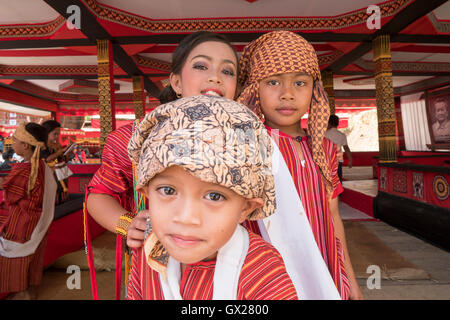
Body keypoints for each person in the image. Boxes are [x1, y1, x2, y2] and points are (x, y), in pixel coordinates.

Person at [86, 31, 339, 300]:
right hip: (159, 258)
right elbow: (98, 194)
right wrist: (127, 224)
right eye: (200, 66)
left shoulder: (247, 136)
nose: (215, 77)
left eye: (227, 71)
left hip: (237, 265)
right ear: (176, 81)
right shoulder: (139, 135)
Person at [126, 95, 297, 300]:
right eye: (168, 191)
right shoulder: (148, 248)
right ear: (146, 193)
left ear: (246, 208)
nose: (186, 217)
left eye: (214, 196)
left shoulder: (262, 270)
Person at [237, 30, 363, 300]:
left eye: (300, 83)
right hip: (266, 276)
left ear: (315, 91)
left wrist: (350, 279)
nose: (287, 94)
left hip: (324, 271)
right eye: (273, 82)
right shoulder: (246, 147)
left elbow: (333, 217)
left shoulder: (325, 149)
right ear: (254, 89)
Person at [0, 122, 57, 300]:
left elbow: (10, 197)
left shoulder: (24, 170)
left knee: (16, 265)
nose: (12, 142)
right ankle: (30, 293)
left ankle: (21, 294)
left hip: (21, 226)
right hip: (37, 226)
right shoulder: (42, 167)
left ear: (25, 145)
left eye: (15, 140)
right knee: (32, 263)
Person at [41, 120, 73, 204]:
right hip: (48, 176)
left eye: (57, 134)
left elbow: (61, 160)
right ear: (46, 133)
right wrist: (60, 151)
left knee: (61, 198)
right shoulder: (41, 146)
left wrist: (67, 154)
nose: (56, 136)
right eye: (54, 134)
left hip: (60, 174)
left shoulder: (56, 146)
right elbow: (47, 159)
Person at [325, 115, 353, 182]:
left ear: (329, 123)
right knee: (337, 179)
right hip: (338, 160)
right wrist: (350, 159)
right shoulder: (342, 135)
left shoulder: (324, 134)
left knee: (326, 179)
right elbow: (346, 148)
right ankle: (338, 192)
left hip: (326, 160)